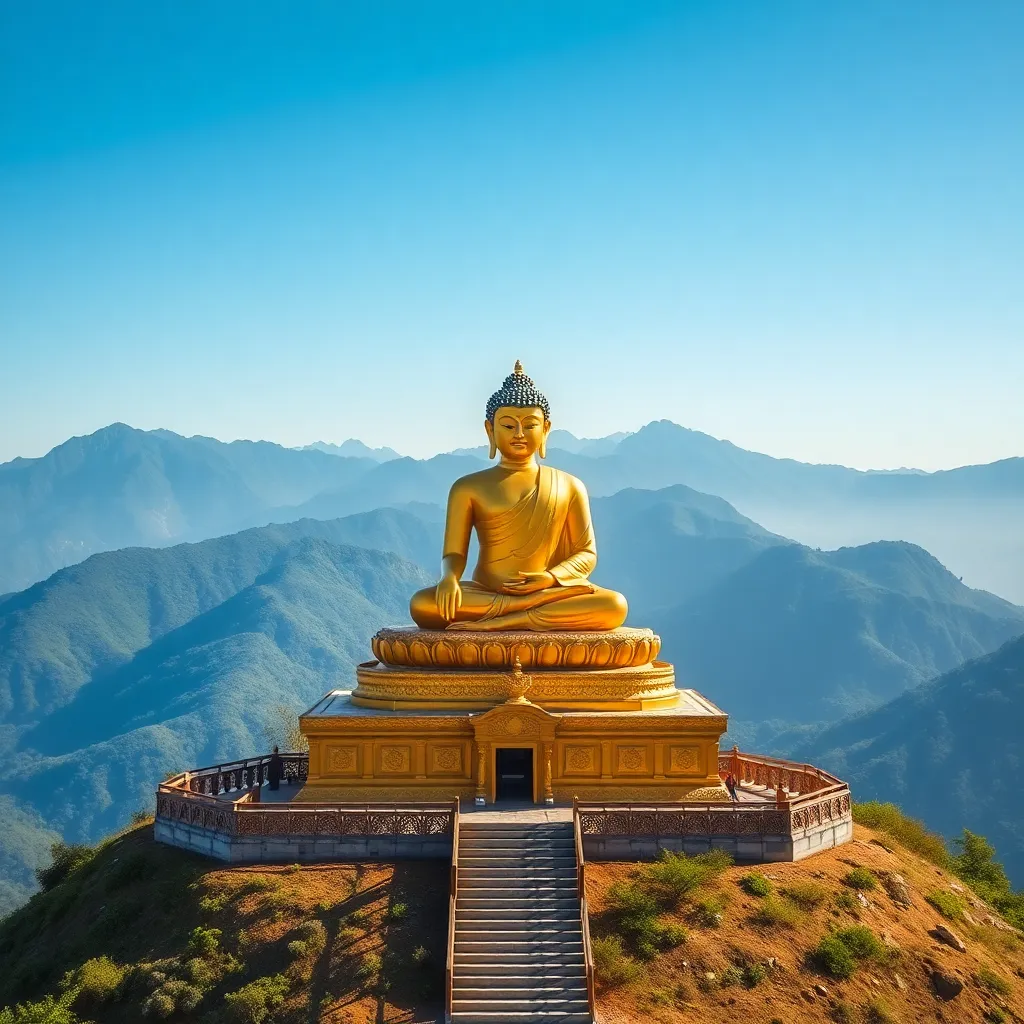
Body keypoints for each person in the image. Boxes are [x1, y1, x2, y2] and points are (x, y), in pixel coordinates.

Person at [409, 361, 628, 632]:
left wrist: (551, 579)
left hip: (548, 590)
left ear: (545, 429)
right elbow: (454, 552)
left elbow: (586, 553)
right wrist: (449, 578)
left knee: (614, 605)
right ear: (490, 430)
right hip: (488, 592)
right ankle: (524, 610)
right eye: (508, 426)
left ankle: (515, 618)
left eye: (530, 425)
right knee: (423, 604)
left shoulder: (570, 486)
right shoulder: (468, 487)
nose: (519, 434)